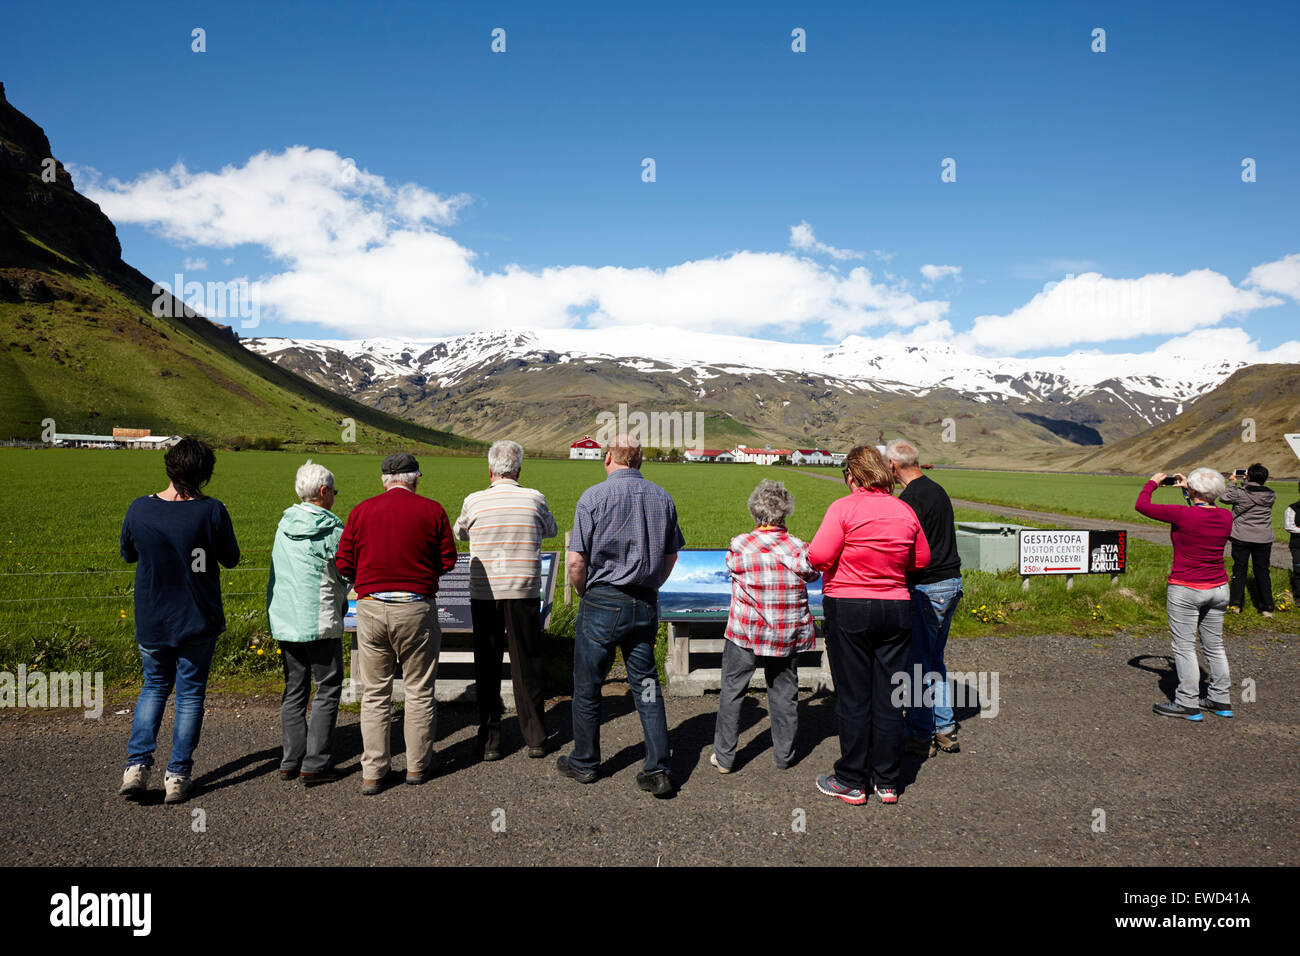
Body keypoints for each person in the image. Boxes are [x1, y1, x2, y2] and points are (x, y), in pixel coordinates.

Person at [557, 433, 684, 797]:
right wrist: (652, 585)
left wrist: (585, 593)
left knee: (588, 685)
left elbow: (576, 560)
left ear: (609, 458)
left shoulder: (593, 497)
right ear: (640, 460)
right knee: (645, 684)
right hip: (644, 602)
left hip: (602, 600)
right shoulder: (663, 497)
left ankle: (585, 762)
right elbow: (671, 556)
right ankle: (657, 768)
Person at [118, 438, 240, 804]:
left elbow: (127, 553)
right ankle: (177, 776)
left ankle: (136, 768)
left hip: (153, 618)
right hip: (197, 619)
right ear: (204, 473)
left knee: (153, 687)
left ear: (169, 467)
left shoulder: (139, 509)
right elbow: (231, 558)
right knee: (189, 697)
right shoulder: (212, 511)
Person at [808, 445, 930, 805]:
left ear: (852, 474)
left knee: (854, 695)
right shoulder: (904, 509)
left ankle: (851, 779)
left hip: (849, 607)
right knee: (890, 695)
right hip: (896, 607)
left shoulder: (844, 508)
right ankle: (887, 780)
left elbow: (818, 556)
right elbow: (920, 558)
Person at [335, 452, 458, 794]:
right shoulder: (432, 510)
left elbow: (344, 561)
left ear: (384, 480)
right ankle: (418, 766)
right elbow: (448, 559)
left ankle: (373, 771)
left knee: (375, 693)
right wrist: (423, 573)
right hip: (416, 608)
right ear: (415, 478)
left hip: (371, 607)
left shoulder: (361, 511)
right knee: (419, 690)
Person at [453, 440, 558, 761]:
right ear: (519, 469)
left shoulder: (474, 501)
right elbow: (550, 529)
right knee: (527, 663)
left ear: (490, 470)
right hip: (524, 591)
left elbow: (460, 533)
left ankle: (490, 741)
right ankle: (536, 737)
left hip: (485, 594)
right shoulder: (535, 499)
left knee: (487, 664)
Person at [711, 480, 820, 774]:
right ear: (785, 512)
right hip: (786, 634)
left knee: (732, 690)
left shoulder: (740, 545)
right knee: (784, 694)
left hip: (745, 632)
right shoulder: (799, 548)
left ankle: (725, 757)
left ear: (754, 511)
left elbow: (730, 566)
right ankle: (784, 757)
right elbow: (813, 572)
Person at [267, 460, 348, 786]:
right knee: (327, 688)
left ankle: (290, 759)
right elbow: (346, 570)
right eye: (335, 492)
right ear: (324, 492)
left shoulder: (283, 525)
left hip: (287, 620)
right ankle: (315, 764)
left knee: (294, 689)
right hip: (321, 618)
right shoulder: (332, 530)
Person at [885, 438, 963, 758]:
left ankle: (919, 736)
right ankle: (945, 729)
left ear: (893, 466)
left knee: (917, 664)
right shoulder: (937, 489)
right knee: (934, 661)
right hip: (952, 583)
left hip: (926, 588)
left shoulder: (910, 500)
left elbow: (905, 549)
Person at [1135, 470, 1234, 720]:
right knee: (1214, 646)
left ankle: (1187, 702)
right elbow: (1200, 510)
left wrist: (1153, 483)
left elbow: (1142, 505)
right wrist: (1188, 489)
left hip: (1186, 588)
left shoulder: (1182, 514)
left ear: (1194, 491)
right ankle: (1220, 699)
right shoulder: (1225, 516)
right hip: (1219, 588)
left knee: (1184, 647)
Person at [1221, 463, 1277, 617]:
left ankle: (1236, 605)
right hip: (1264, 537)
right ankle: (1267, 607)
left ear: (1248, 476)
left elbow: (1224, 497)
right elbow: (1255, 492)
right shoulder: (1271, 495)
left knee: (1239, 570)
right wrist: (1249, 480)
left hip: (1241, 536)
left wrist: (1233, 481)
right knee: (1263, 571)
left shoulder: (1240, 493)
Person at [1286, 482, 1300, 602]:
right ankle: (1299, 597)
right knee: (1298, 571)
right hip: (1297, 545)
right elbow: (1289, 526)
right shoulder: (1293, 508)